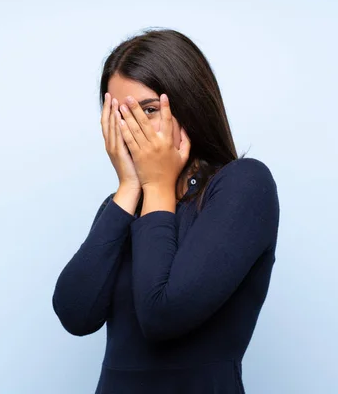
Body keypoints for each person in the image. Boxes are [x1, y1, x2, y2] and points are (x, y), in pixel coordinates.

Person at [52, 28, 280, 393]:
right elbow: (74, 313)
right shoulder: (124, 206)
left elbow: (162, 315)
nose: (134, 129)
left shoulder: (243, 185)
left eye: (149, 110)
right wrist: (129, 188)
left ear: (188, 103)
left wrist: (156, 185)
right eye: (120, 116)